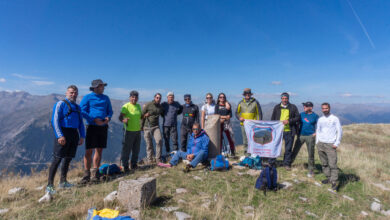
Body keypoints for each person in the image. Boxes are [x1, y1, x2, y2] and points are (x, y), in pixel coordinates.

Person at [46, 85, 85, 194]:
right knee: (57, 159)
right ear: (66, 93)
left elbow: (81, 123)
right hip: (63, 133)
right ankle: (49, 185)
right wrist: (59, 135)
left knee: (68, 158)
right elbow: (55, 121)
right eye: (71, 92)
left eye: (75, 92)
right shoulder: (60, 104)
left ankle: (63, 181)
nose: (73, 94)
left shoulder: (78, 107)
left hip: (74, 134)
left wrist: (82, 136)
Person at [79, 79, 113, 184]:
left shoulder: (106, 98)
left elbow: (110, 111)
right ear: (95, 87)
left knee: (99, 150)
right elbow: (82, 110)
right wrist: (93, 119)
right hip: (91, 126)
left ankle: (96, 172)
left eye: (103, 86)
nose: (103, 88)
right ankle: (86, 174)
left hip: (103, 126)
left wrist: (108, 118)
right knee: (89, 150)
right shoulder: (87, 97)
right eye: (101, 86)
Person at [316, 103, 342, 191]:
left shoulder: (335, 119)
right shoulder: (320, 119)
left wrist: (336, 143)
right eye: (323, 108)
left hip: (330, 144)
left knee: (332, 164)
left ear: (329, 108)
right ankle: (329, 178)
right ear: (321, 109)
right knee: (324, 163)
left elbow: (339, 131)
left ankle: (334, 181)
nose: (325, 110)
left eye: (326, 108)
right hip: (321, 144)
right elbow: (318, 130)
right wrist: (317, 142)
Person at [271, 92, 300, 170]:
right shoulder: (277, 107)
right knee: (275, 146)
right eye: (283, 98)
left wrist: (289, 121)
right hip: (278, 131)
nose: (284, 100)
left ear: (288, 99)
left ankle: (286, 164)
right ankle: (272, 162)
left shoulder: (293, 107)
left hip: (289, 131)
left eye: (286, 98)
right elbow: (273, 118)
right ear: (281, 99)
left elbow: (297, 117)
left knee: (288, 148)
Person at [291, 101, 319, 177]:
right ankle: (289, 164)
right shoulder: (301, 115)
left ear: (311, 107)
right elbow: (296, 122)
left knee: (311, 153)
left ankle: (311, 170)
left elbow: (320, 125)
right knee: (295, 150)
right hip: (301, 135)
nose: (304, 108)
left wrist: (316, 133)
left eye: (306, 106)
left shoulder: (315, 116)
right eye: (304, 106)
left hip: (310, 136)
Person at [119, 91, 142, 172]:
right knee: (127, 149)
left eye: (136, 97)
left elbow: (140, 116)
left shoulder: (138, 106)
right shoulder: (126, 106)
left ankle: (134, 164)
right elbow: (120, 117)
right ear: (130, 97)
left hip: (138, 130)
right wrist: (123, 120)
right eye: (133, 97)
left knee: (136, 149)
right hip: (128, 130)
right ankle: (125, 166)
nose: (134, 99)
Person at [235, 88, 263, 154]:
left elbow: (259, 113)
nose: (247, 95)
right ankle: (246, 153)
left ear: (250, 94)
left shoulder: (255, 102)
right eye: (246, 94)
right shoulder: (241, 103)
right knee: (245, 139)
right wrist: (239, 118)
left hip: (253, 125)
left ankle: (254, 152)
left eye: (248, 94)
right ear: (244, 95)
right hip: (243, 124)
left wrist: (258, 122)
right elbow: (236, 113)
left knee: (253, 139)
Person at [142, 93, 164, 164]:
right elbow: (141, 115)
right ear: (154, 98)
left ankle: (158, 158)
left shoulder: (160, 107)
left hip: (156, 127)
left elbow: (164, 113)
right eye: (157, 97)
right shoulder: (148, 104)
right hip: (147, 127)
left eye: (160, 98)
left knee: (159, 140)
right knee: (149, 144)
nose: (158, 99)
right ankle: (150, 159)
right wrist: (141, 126)